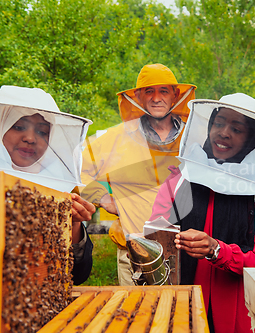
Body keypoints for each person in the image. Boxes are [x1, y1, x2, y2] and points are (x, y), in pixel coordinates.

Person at [148, 93, 255, 332]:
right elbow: (155, 236)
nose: (224, 132)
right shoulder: (180, 179)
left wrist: (217, 250)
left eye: (237, 128)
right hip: (180, 300)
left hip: (233, 305)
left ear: (251, 138)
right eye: (219, 123)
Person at [0, 86, 95, 285]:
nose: (31, 138)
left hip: (31, 310)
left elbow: (77, 275)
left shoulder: (56, 189)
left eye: (42, 131)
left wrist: (73, 224)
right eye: (18, 126)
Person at [79, 64, 196, 285]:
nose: (156, 98)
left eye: (163, 90)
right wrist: (104, 199)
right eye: (149, 91)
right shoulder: (116, 138)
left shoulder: (194, 137)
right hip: (135, 252)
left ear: (175, 95)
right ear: (138, 97)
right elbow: (77, 169)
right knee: (137, 316)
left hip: (188, 252)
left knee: (183, 316)